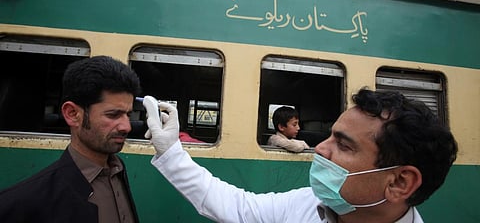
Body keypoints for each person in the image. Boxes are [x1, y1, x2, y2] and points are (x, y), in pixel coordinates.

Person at [141, 88, 457, 223]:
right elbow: (235, 206)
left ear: (400, 182)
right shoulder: (307, 204)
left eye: (344, 145)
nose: (320, 148)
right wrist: (171, 151)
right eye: (330, 135)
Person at [0, 56, 141, 223]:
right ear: (72, 114)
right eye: (113, 115)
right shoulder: (19, 203)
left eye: (128, 115)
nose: (126, 126)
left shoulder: (118, 173)